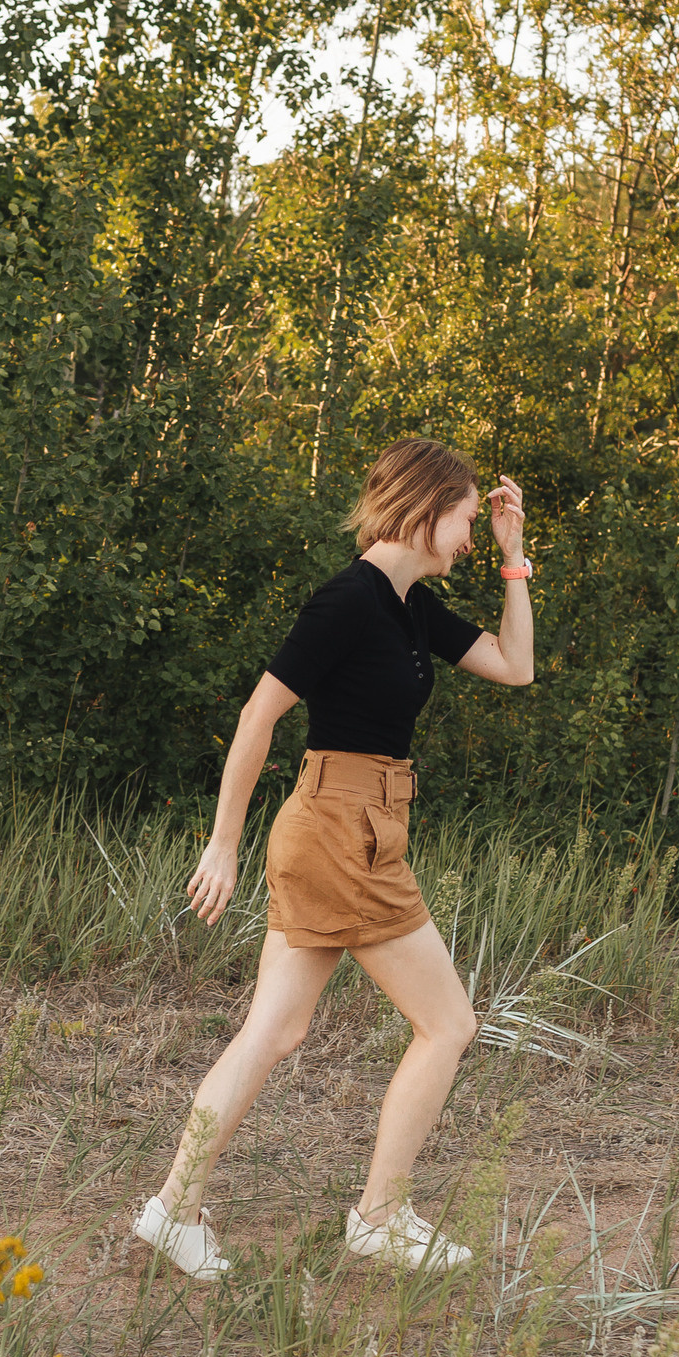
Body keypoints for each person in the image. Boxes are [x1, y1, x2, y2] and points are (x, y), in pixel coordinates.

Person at [135, 437, 534, 1279]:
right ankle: (380, 1217)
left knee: (274, 1030)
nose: (470, 537)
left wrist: (514, 561)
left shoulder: (410, 606)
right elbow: (258, 715)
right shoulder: (348, 599)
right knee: (448, 1023)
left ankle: (174, 1207)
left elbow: (514, 665)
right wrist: (222, 843)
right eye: (468, 521)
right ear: (426, 510)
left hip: (355, 828)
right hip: (340, 832)